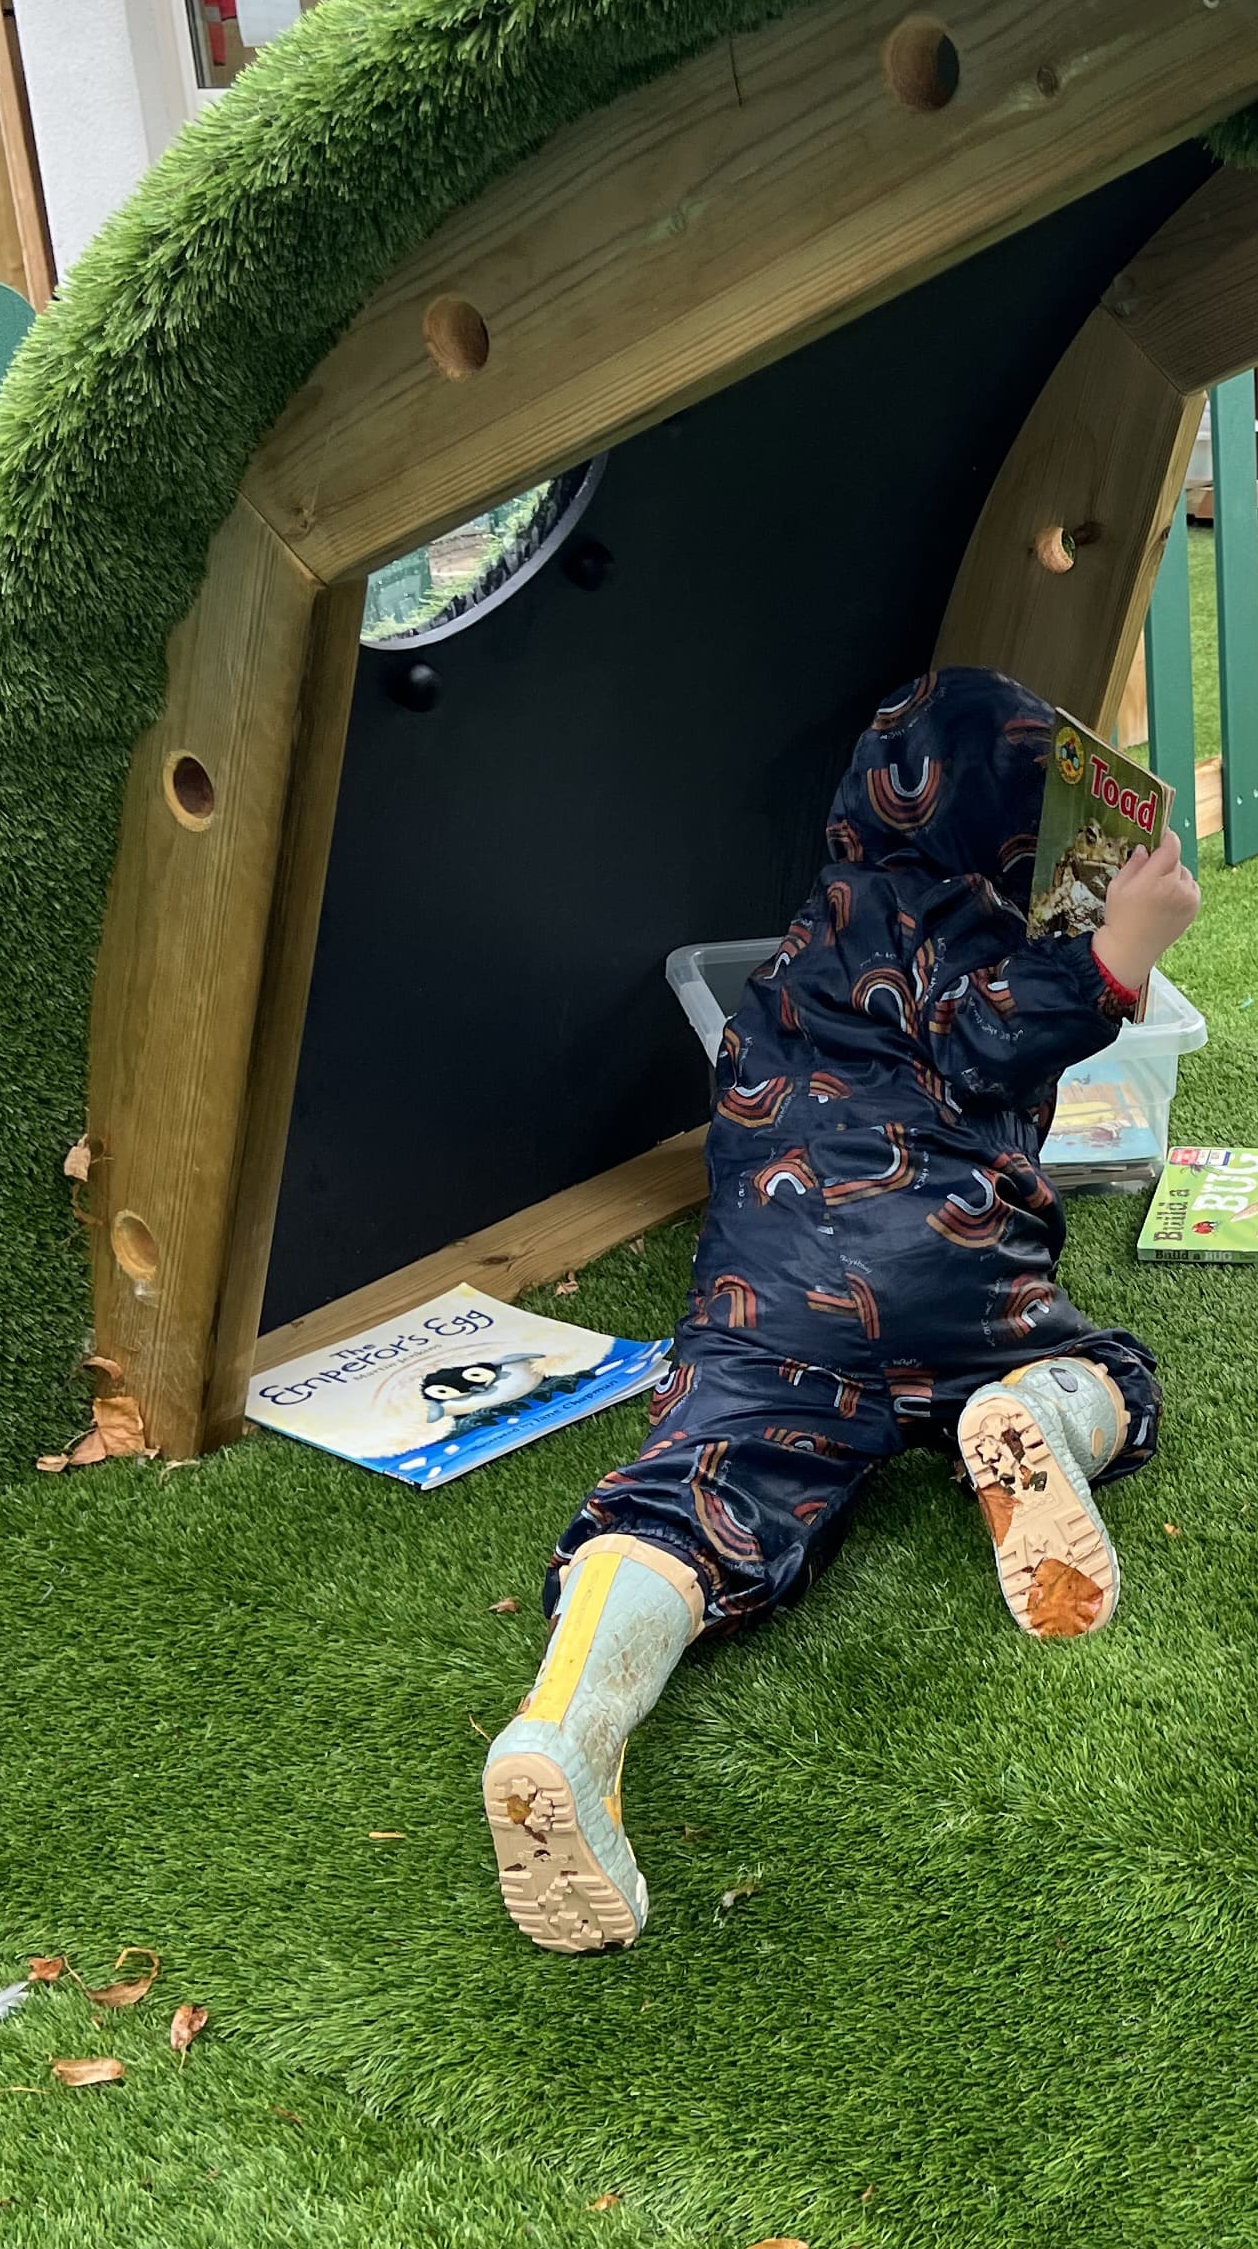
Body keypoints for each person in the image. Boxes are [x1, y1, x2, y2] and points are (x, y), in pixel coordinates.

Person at [483, 668, 1199, 1953]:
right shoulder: (978, 922)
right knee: (1115, 1369)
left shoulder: (813, 933)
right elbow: (990, 1036)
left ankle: (567, 1721)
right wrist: (1118, 955)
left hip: (773, 1305)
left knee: (694, 1491)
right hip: (958, 1279)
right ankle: (1033, 1409)